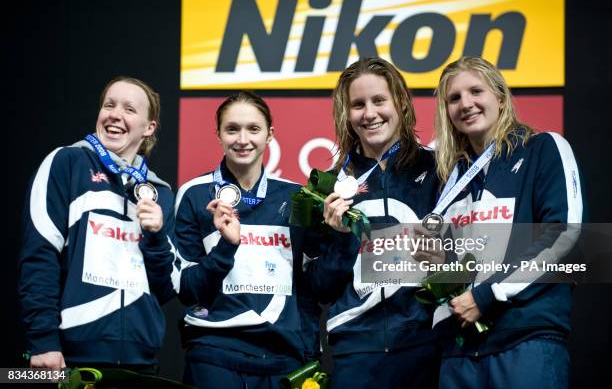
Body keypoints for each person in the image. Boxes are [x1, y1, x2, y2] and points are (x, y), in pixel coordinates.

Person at [429, 56, 585, 388]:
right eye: (454, 98)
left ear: (500, 97)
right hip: (459, 349)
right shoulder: (450, 179)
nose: (465, 104)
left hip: (524, 337)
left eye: (475, 91)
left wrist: (485, 296)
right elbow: (456, 264)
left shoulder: (543, 148)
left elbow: (562, 234)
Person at [18, 76, 174, 373]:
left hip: (140, 361)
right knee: (12, 380)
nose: (115, 114)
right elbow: (39, 255)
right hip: (70, 356)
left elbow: (164, 289)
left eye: (129, 109)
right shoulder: (67, 163)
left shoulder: (161, 193)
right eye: (109, 105)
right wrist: (43, 341)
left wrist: (155, 237)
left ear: (149, 127)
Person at [306, 57, 441, 388]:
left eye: (379, 100)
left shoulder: (440, 170)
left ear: (400, 102)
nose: (369, 113)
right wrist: (338, 238)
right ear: (345, 113)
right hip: (356, 348)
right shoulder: (323, 186)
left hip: (426, 343)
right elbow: (318, 289)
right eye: (358, 104)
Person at [172, 91, 317, 389]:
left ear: (270, 135)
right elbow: (187, 289)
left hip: (281, 358)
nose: (242, 139)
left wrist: (308, 351)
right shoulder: (195, 194)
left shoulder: (296, 197)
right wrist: (226, 247)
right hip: (215, 352)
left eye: (253, 129)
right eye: (232, 129)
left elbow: (306, 288)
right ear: (218, 134)